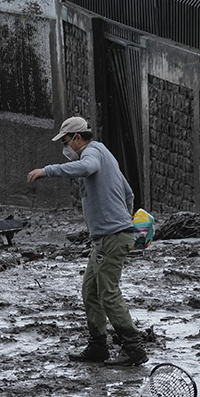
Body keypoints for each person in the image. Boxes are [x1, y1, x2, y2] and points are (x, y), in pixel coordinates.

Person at [27, 116, 148, 366]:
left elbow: (87, 168)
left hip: (111, 238)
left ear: (78, 138)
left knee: (108, 293)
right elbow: (128, 192)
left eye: (65, 141)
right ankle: (97, 346)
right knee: (90, 291)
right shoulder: (107, 156)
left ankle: (134, 348)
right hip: (106, 237)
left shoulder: (92, 153)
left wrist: (47, 171)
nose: (65, 147)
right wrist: (124, 219)